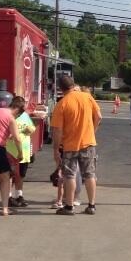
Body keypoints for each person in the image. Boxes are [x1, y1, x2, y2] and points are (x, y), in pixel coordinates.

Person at [51, 76, 102, 215]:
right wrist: (93, 131)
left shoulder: (61, 104)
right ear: (73, 85)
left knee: (70, 175)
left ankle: (69, 206)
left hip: (70, 145)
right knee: (90, 174)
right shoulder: (87, 97)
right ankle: (91, 205)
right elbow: (98, 116)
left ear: (61, 89)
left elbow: (57, 130)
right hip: (88, 142)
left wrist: (56, 149)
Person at [5, 96, 36, 208]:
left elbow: (32, 128)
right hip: (11, 151)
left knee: (21, 175)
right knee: (9, 175)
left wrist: (28, 129)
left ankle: (19, 195)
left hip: (24, 149)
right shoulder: (8, 117)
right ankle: (8, 197)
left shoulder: (25, 116)